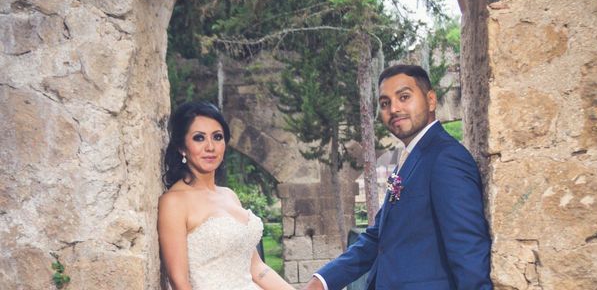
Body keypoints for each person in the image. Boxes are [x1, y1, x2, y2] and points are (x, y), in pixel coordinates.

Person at [303, 64, 493, 290]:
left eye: (404, 97)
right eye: (385, 103)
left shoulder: (446, 158)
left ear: (431, 100)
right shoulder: (411, 159)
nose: (394, 108)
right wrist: (323, 281)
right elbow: (377, 238)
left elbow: (468, 251)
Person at [158, 101, 294, 290]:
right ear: (182, 147)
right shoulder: (174, 202)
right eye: (199, 138)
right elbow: (179, 282)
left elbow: (257, 268)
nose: (210, 147)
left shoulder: (229, 195)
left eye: (217, 137)